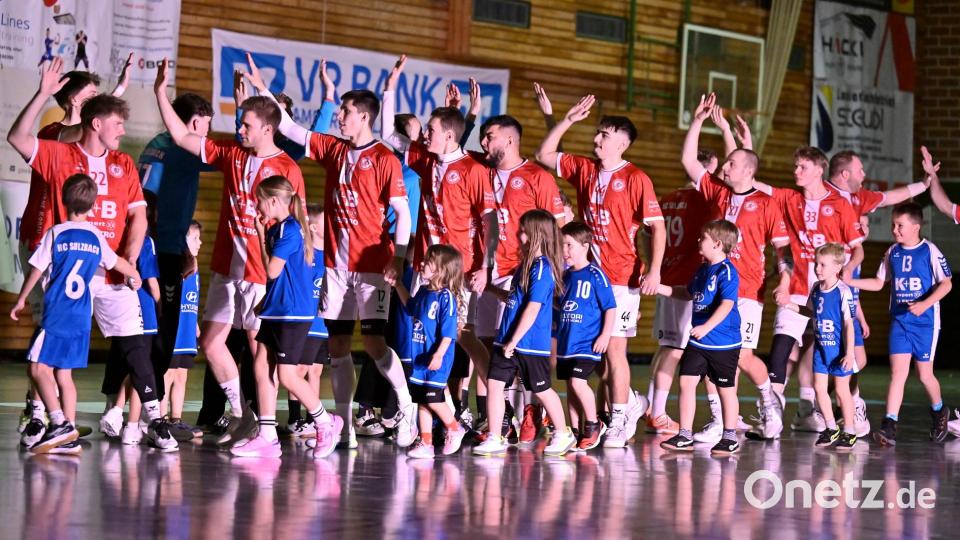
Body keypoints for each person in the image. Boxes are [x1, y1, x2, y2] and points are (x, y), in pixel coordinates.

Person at [242, 53, 417, 449]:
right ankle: (344, 425)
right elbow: (288, 126)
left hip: (371, 265)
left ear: (365, 118)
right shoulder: (335, 149)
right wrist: (262, 89)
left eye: (346, 111)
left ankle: (405, 405)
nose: (340, 116)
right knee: (337, 348)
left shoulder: (384, 159)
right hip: (336, 267)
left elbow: (402, 212)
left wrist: (399, 255)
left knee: (373, 344)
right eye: (341, 110)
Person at [8, 57, 175, 451]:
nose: (124, 130)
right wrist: (43, 93)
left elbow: (137, 218)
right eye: (117, 123)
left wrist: (130, 260)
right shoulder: (61, 152)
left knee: (135, 341)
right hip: (71, 268)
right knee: (49, 346)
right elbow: (18, 138)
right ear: (96, 123)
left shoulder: (123, 164)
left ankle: (154, 417)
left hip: (113, 266)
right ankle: (43, 417)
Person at [154, 58, 307, 446]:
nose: (239, 129)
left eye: (246, 125)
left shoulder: (287, 167)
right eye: (240, 123)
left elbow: (299, 225)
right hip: (227, 266)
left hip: (259, 271)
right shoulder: (232, 154)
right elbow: (178, 134)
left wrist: (290, 274)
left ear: (268, 130)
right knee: (211, 343)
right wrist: (159, 91)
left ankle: (268, 428)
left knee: (260, 354)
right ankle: (243, 415)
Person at [535, 94, 662, 448]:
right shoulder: (586, 168)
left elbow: (658, 227)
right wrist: (566, 120)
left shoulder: (636, 178)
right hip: (586, 277)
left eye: (604, 134)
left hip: (621, 277)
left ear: (622, 143)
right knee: (598, 358)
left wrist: (654, 270)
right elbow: (544, 155)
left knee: (615, 351)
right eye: (597, 133)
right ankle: (630, 404)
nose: (596, 139)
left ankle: (619, 418)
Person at [379, 56, 496, 439]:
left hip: (459, 269)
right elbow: (386, 132)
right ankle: (430, 417)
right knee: (419, 335)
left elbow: (490, 221)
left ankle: (499, 401)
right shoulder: (425, 160)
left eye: (430, 128)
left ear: (449, 135)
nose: (423, 134)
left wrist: (485, 265)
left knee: (462, 335)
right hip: (425, 266)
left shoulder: (475, 171)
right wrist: (391, 85)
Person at [681, 94, 792, 441]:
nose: (724, 168)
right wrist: (698, 120)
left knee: (741, 355)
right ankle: (719, 420)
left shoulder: (766, 204)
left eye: (730, 164)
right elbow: (688, 160)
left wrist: (785, 279)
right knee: (714, 356)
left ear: (747, 169)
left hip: (746, 290)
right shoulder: (719, 193)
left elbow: (783, 249)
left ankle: (769, 402)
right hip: (711, 287)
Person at [11, 174, 141, 454]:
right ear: (93, 206)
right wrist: (134, 274)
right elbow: (116, 261)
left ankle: (59, 423)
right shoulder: (95, 235)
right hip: (82, 315)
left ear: (63, 201)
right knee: (64, 375)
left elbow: (36, 269)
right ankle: (68, 436)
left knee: (37, 367)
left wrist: (21, 298)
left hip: (58, 312)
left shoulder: (56, 233)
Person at [754, 146, 865, 434]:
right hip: (797, 287)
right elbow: (749, 183)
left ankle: (851, 409)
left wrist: (845, 275)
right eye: (795, 166)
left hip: (827, 291)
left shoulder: (840, 205)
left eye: (802, 167)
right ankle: (772, 414)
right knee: (781, 348)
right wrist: (736, 143)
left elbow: (858, 251)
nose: (796, 172)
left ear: (819, 169)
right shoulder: (790, 199)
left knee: (838, 354)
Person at [231, 176, 342, 459]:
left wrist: (259, 239)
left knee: (287, 375)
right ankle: (267, 435)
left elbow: (271, 271)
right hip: (277, 309)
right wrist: (259, 232)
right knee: (260, 364)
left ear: (274, 201)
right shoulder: (278, 229)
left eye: (259, 200)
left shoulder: (291, 230)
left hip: (293, 313)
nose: (257, 205)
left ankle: (325, 422)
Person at [846, 203, 952, 446]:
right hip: (900, 321)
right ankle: (889, 426)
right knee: (898, 374)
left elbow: (947, 284)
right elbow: (878, 282)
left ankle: (939, 412)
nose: (895, 230)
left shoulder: (930, 251)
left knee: (924, 375)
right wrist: (851, 281)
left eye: (900, 225)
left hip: (925, 323)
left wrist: (925, 304)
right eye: (893, 225)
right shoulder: (893, 252)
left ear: (916, 227)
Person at [473, 210, 578, 457]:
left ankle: (564, 433)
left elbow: (533, 307)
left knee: (541, 389)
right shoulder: (525, 266)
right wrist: (491, 290)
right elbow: (516, 300)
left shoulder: (542, 268)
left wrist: (514, 340)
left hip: (528, 343)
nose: (518, 234)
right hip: (508, 337)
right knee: (495, 384)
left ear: (536, 234)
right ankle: (495, 436)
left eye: (523, 230)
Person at [642, 151, 713, 438]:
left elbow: (647, 234)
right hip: (685, 283)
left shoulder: (667, 197)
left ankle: (651, 409)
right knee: (675, 349)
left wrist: (653, 267)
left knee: (666, 346)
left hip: (664, 277)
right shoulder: (702, 200)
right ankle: (657, 413)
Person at [658, 220, 742, 456]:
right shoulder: (702, 269)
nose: (698, 241)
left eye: (702, 238)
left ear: (716, 243)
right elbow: (686, 293)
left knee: (726, 389)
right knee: (686, 382)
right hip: (699, 342)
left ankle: (730, 436)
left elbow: (727, 305)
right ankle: (685, 435)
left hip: (723, 342)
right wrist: (659, 287)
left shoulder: (727, 271)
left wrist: (706, 327)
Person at [389, 245, 469, 459]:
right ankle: (426, 442)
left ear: (441, 270)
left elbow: (449, 333)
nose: (422, 263)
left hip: (436, 360)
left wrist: (439, 354)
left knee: (434, 399)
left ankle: (454, 427)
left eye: (428, 261)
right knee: (422, 400)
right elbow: (410, 307)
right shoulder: (424, 292)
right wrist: (397, 285)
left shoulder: (445, 298)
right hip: (420, 357)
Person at [778, 243, 858, 451]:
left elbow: (849, 323)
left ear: (837, 267)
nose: (817, 268)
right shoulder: (816, 289)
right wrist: (788, 304)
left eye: (823, 264)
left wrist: (849, 352)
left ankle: (849, 431)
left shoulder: (843, 291)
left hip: (839, 350)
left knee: (842, 390)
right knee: (818, 389)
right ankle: (831, 428)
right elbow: (809, 311)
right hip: (821, 347)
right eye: (816, 263)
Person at [555, 222, 616, 451]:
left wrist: (605, 335)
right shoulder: (564, 275)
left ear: (585, 246)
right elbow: (560, 303)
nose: (565, 250)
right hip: (566, 342)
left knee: (577, 382)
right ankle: (574, 430)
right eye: (562, 245)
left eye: (569, 245)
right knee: (570, 387)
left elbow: (610, 307)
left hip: (587, 342)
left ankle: (593, 424)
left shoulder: (595, 274)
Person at [288, 204, 330, 438]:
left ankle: (313, 418)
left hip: (323, 324)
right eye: (325, 221)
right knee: (299, 369)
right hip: (305, 322)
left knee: (315, 370)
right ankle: (294, 418)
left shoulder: (331, 256)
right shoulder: (305, 254)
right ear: (313, 227)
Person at [162, 220, 204, 441]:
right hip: (174, 329)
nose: (200, 242)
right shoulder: (178, 265)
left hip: (187, 329)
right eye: (195, 238)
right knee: (167, 375)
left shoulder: (195, 266)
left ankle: (176, 420)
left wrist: (195, 322)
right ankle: (160, 419)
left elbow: (192, 299)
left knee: (182, 376)